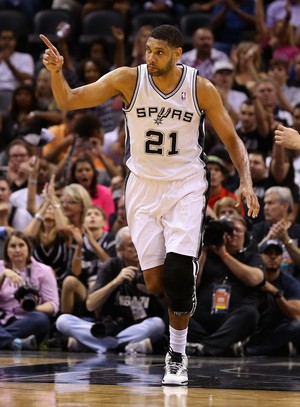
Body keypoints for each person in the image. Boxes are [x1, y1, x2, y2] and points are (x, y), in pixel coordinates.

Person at [40, 24, 259, 386]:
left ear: (177, 54)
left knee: (175, 274)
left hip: (186, 185)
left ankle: (177, 354)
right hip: (141, 186)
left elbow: (233, 141)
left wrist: (246, 181)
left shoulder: (200, 88)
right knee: (156, 283)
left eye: (159, 52)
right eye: (147, 50)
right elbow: (69, 100)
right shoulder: (129, 79)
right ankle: (183, 270)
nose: (150, 58)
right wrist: (56, 72)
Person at [56, 226, 166, 354]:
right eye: (132, 245)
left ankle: (97, 346)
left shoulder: (152, 266)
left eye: (139, 244)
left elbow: (167, 307)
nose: (137, 249)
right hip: (107, 328)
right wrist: (116, 281)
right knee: (63, 321)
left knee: (158, 324)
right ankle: (121, 347)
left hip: (136, 328)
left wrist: (156, 293)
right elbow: (90, 304)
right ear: (119, 249)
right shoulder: (111, 266)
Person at [187, 214, 264, 357]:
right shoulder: (207, 254)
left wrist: (224, 254)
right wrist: (204, 249)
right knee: (176, 311)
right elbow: (191, 284)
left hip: (232, 318)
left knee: (250, 314)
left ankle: (204, 348)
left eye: (238, 231)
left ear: (245, 235)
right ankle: (222, 347)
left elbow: (255, 279)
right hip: (204, 317)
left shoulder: (250, 255)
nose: (233, 234)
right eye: (228, 231)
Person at [0, 231, 59, 350]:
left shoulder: (44, 271)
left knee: (41, 320)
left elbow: (53, 306)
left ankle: (4, 339)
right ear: (6, 250)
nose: (17, 250)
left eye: (21, 245)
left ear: (28, 248)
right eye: (12, 246)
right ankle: (14, 343)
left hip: (27, 321)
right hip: (3, 319)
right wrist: (3, 275)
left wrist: (32, 307)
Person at [243, 239, 300, 356]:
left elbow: (295, 314)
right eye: (268, 253)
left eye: (277, 254)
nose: (273, 257)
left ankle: (250, 350)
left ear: (282, 258)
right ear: (260, 256)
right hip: (251, 324)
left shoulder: (290, 282)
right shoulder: (252, 276)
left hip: (276, 326)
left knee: (296, 325)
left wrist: (275, 292)